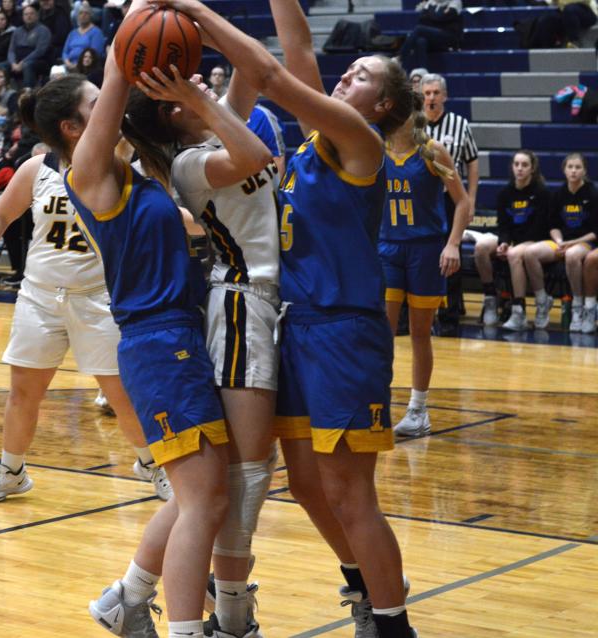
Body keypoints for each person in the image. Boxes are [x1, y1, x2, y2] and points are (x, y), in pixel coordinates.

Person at [168, 0, 418, 635]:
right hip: (295, 326)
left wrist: (195, 11)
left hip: (343, 330)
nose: (345, 76)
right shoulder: (316, 142)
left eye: (362, 76)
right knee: (307, 485)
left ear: (383, 105)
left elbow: (275, 75)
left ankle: (392, 624)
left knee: (349, 491)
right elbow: (298, 48)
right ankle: (366, 584)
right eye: (349, 69)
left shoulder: (360, 144)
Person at [58, 23, 229, 636]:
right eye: (92, 108)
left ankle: (126, 599)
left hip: (180, 338)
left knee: (194, 497)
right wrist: (137, 27)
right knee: (204, 500)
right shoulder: (92, 181)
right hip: (159, 345)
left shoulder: (147, 177)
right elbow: (115, 75)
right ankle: (183, 628)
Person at [0, 79, 171, 505]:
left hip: (97, 297)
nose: (107, 105)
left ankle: (151, 465)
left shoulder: (116, 159)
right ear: (71, 126)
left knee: (120, 395)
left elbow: (124, 108)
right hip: (39, 297)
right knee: (23, 393)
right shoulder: (36, 170)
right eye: (95, 102)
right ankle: (11, 470)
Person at [128, 63, 278, 636]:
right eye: (187, 86)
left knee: (245, 473)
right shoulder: (193, 164)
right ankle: (231, 615)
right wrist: (196, 95)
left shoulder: (216, 130)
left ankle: (145, 593)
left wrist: (195, 15)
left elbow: (254, 70)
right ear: (172, 108)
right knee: (244, 475)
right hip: (244, 305)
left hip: (264, 304)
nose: (202, 84)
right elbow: (257, 156)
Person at [381, 94, 472, 437]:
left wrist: (452, 244)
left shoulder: (433, 151)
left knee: (420, 333)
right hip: (387, 247)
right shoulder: (376, 149)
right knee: (382, 334)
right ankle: (376, 403)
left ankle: (418, 410)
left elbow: (462, 203)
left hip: (426, 249)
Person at [422, 72, 478, 329]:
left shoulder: (459, 124)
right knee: (422, 256)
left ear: (444, 96)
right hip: (420, 202)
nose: (431, 98)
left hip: (450, 200)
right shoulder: (412, 125)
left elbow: (471, 164)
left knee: (451, 254)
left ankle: (449, 317)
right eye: (427, 93)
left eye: (435, 93)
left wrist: (471, 200)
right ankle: (417, 316)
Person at [521, 152, 597, 331]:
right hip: (562, 242)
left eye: (578, 167)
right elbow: (553, 225)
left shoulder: (592, 194)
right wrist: (560, 241)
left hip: (585, 243)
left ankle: (579, 307)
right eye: (570, 167)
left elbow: (595, 232)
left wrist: (571, 243)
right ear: (564, 170)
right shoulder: (559, 194)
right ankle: (542, 300)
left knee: (571, 255)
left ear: (584, 171)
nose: (573, 171)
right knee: (530, 253)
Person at [496, 150, 552, 331]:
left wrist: (515, 245)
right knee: (488, 249)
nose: (520, 169)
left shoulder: (542, 192)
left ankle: (519, 311)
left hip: (537, 240)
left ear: (532, 169)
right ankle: (494, 302)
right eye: (516, 164)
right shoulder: (505, 193)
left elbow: (540, 227)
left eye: (525, 165)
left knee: (514, 254)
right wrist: (504, 241)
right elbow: (503, 225)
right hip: (516, 242)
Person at [397, 0, 463, 72]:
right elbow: (423, 19)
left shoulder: (455, 2)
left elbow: (442, 17)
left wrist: (432, 14)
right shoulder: (431, 2)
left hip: (448, 37)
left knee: (419, 29)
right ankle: (423, 70)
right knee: (421, 41)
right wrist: (438, 15)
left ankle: (399, 58)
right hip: (432, 37)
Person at [8, 3, 53, 89]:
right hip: (18, 61)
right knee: (1, 66)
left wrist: (23, 62)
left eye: (31, 14)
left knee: (27, 65)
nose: (29, 16)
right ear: (22, 17)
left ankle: (27, 94)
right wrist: (13, 63)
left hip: (38, 61)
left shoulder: (43, 30)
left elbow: (40, 51)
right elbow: (11, 51)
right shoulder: (17, 31)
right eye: (26, 14)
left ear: (37, 16)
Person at [63, 2, 106, 71]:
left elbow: (94, 53)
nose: (83, 15)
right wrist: (67, 62)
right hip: (68, 66)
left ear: (91, 16)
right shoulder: (72, 33)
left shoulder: (96, 32)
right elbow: (65, 52)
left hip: (86, 67)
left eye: (86, 13)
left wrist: (78, 64)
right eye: (80, 13)